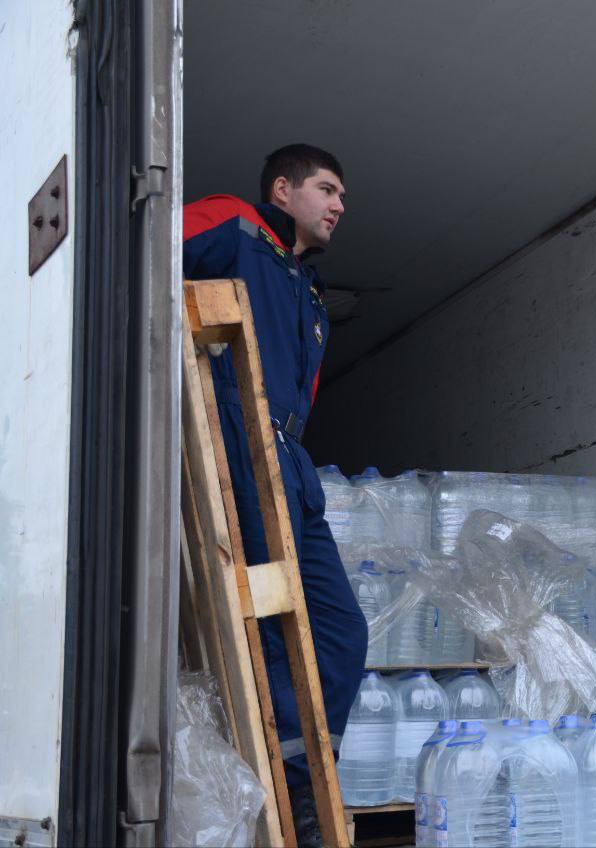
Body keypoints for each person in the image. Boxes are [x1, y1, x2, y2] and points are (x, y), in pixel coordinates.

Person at [183, 144, 366, 846]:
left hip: (291, 459)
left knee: (342, 632)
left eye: (342, 195)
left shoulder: (311, 295)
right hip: (240, 435)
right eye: (327, 188)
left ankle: (309, 772)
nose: (339, 205)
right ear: (282, 190)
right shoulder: (232, 227)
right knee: (266, 622)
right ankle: (296, 800)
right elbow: (148, 256)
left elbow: (307, 397)